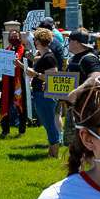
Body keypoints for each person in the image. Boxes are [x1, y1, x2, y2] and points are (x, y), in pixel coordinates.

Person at [63, 28, 100, 145]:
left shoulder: (88, 58)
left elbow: (96, 77)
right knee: (73, 144)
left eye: (69, 40)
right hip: (76, 108)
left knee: (86, 143)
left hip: (87, 109)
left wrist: (76, 92)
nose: (68, 43)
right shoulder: (73, 58)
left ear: (76, 42)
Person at [25, 28, 61, 157]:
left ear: (38, 41)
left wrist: (35, 74)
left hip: (44, 93)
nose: (33, 41)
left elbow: (53, 76)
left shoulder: (49, 56)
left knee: (49, 123)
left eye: (35, 39)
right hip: (40, 93)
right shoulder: (44, 55)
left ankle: (54, 153)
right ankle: (51, 151)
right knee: (47, 123)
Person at [0, 29, 28, 137]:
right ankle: (5, 130)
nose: (14, 38)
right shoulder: (6, 50)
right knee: (3, 104)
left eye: (16, 36)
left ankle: (21, 130)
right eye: (12, 36)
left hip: (19, 82)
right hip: (7, 83)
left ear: (20, 38)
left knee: (21, 106)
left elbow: (28, 67)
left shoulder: (24, 51)